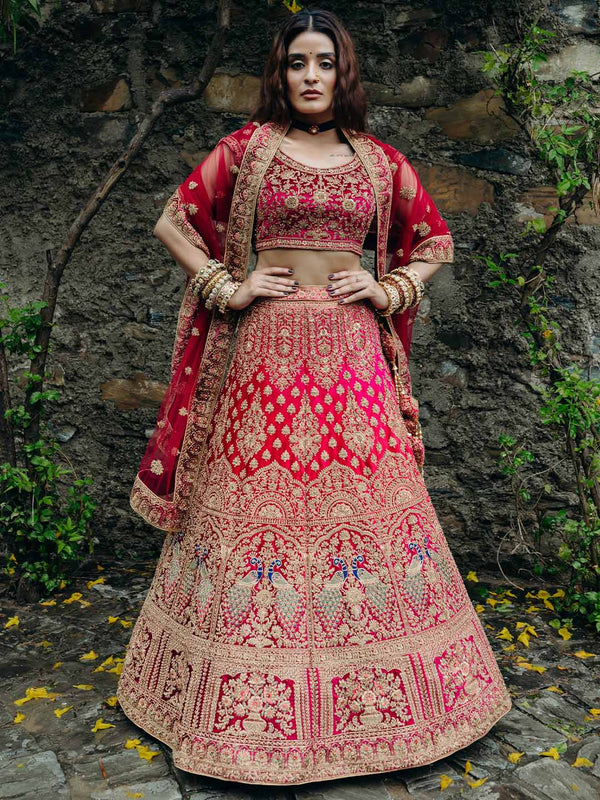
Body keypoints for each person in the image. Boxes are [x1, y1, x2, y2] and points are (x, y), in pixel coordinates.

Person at [116, 8, 512, 786]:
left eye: (324, 63)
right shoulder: (246, 150)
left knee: (365, 509)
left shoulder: (377, 160)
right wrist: (224, 282)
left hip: (352, 360)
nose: (309, 76)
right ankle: (229, 703)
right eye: (297, 62)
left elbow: (436, 241)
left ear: (344, 74)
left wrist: (388, 283)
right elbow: (173, 221)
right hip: (261, 353)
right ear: (280, 71)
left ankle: (394, 702)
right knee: (250, 515)